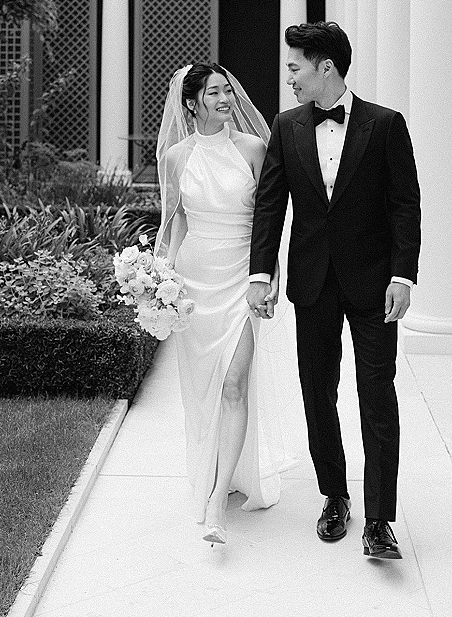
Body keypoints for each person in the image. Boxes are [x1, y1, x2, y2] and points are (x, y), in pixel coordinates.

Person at [247, 22, 421, 559]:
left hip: (375, 286)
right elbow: (271, 204)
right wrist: (260, 274)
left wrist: (403, 275)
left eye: (295, 67)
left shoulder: (386, 125)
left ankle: (379, 520)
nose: (289, 78)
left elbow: (404, 204)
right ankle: (334, 496)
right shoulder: (286, 125)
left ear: (326, 66)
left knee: (377, 397)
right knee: (317, 393)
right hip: (312, 282)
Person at [154, 63, 296, 545]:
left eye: (227, 91)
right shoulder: (176, 157)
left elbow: (270, 218)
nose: (226, 98)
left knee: (235, 382)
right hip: (195, 283)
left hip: (241, 277)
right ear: (191, 103)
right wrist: (161, 277)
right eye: (214, 92)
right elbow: (176, 222)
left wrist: (270, 275)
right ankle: (217, 470)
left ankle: (217, 502)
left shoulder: (253, 148)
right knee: (205, 389)